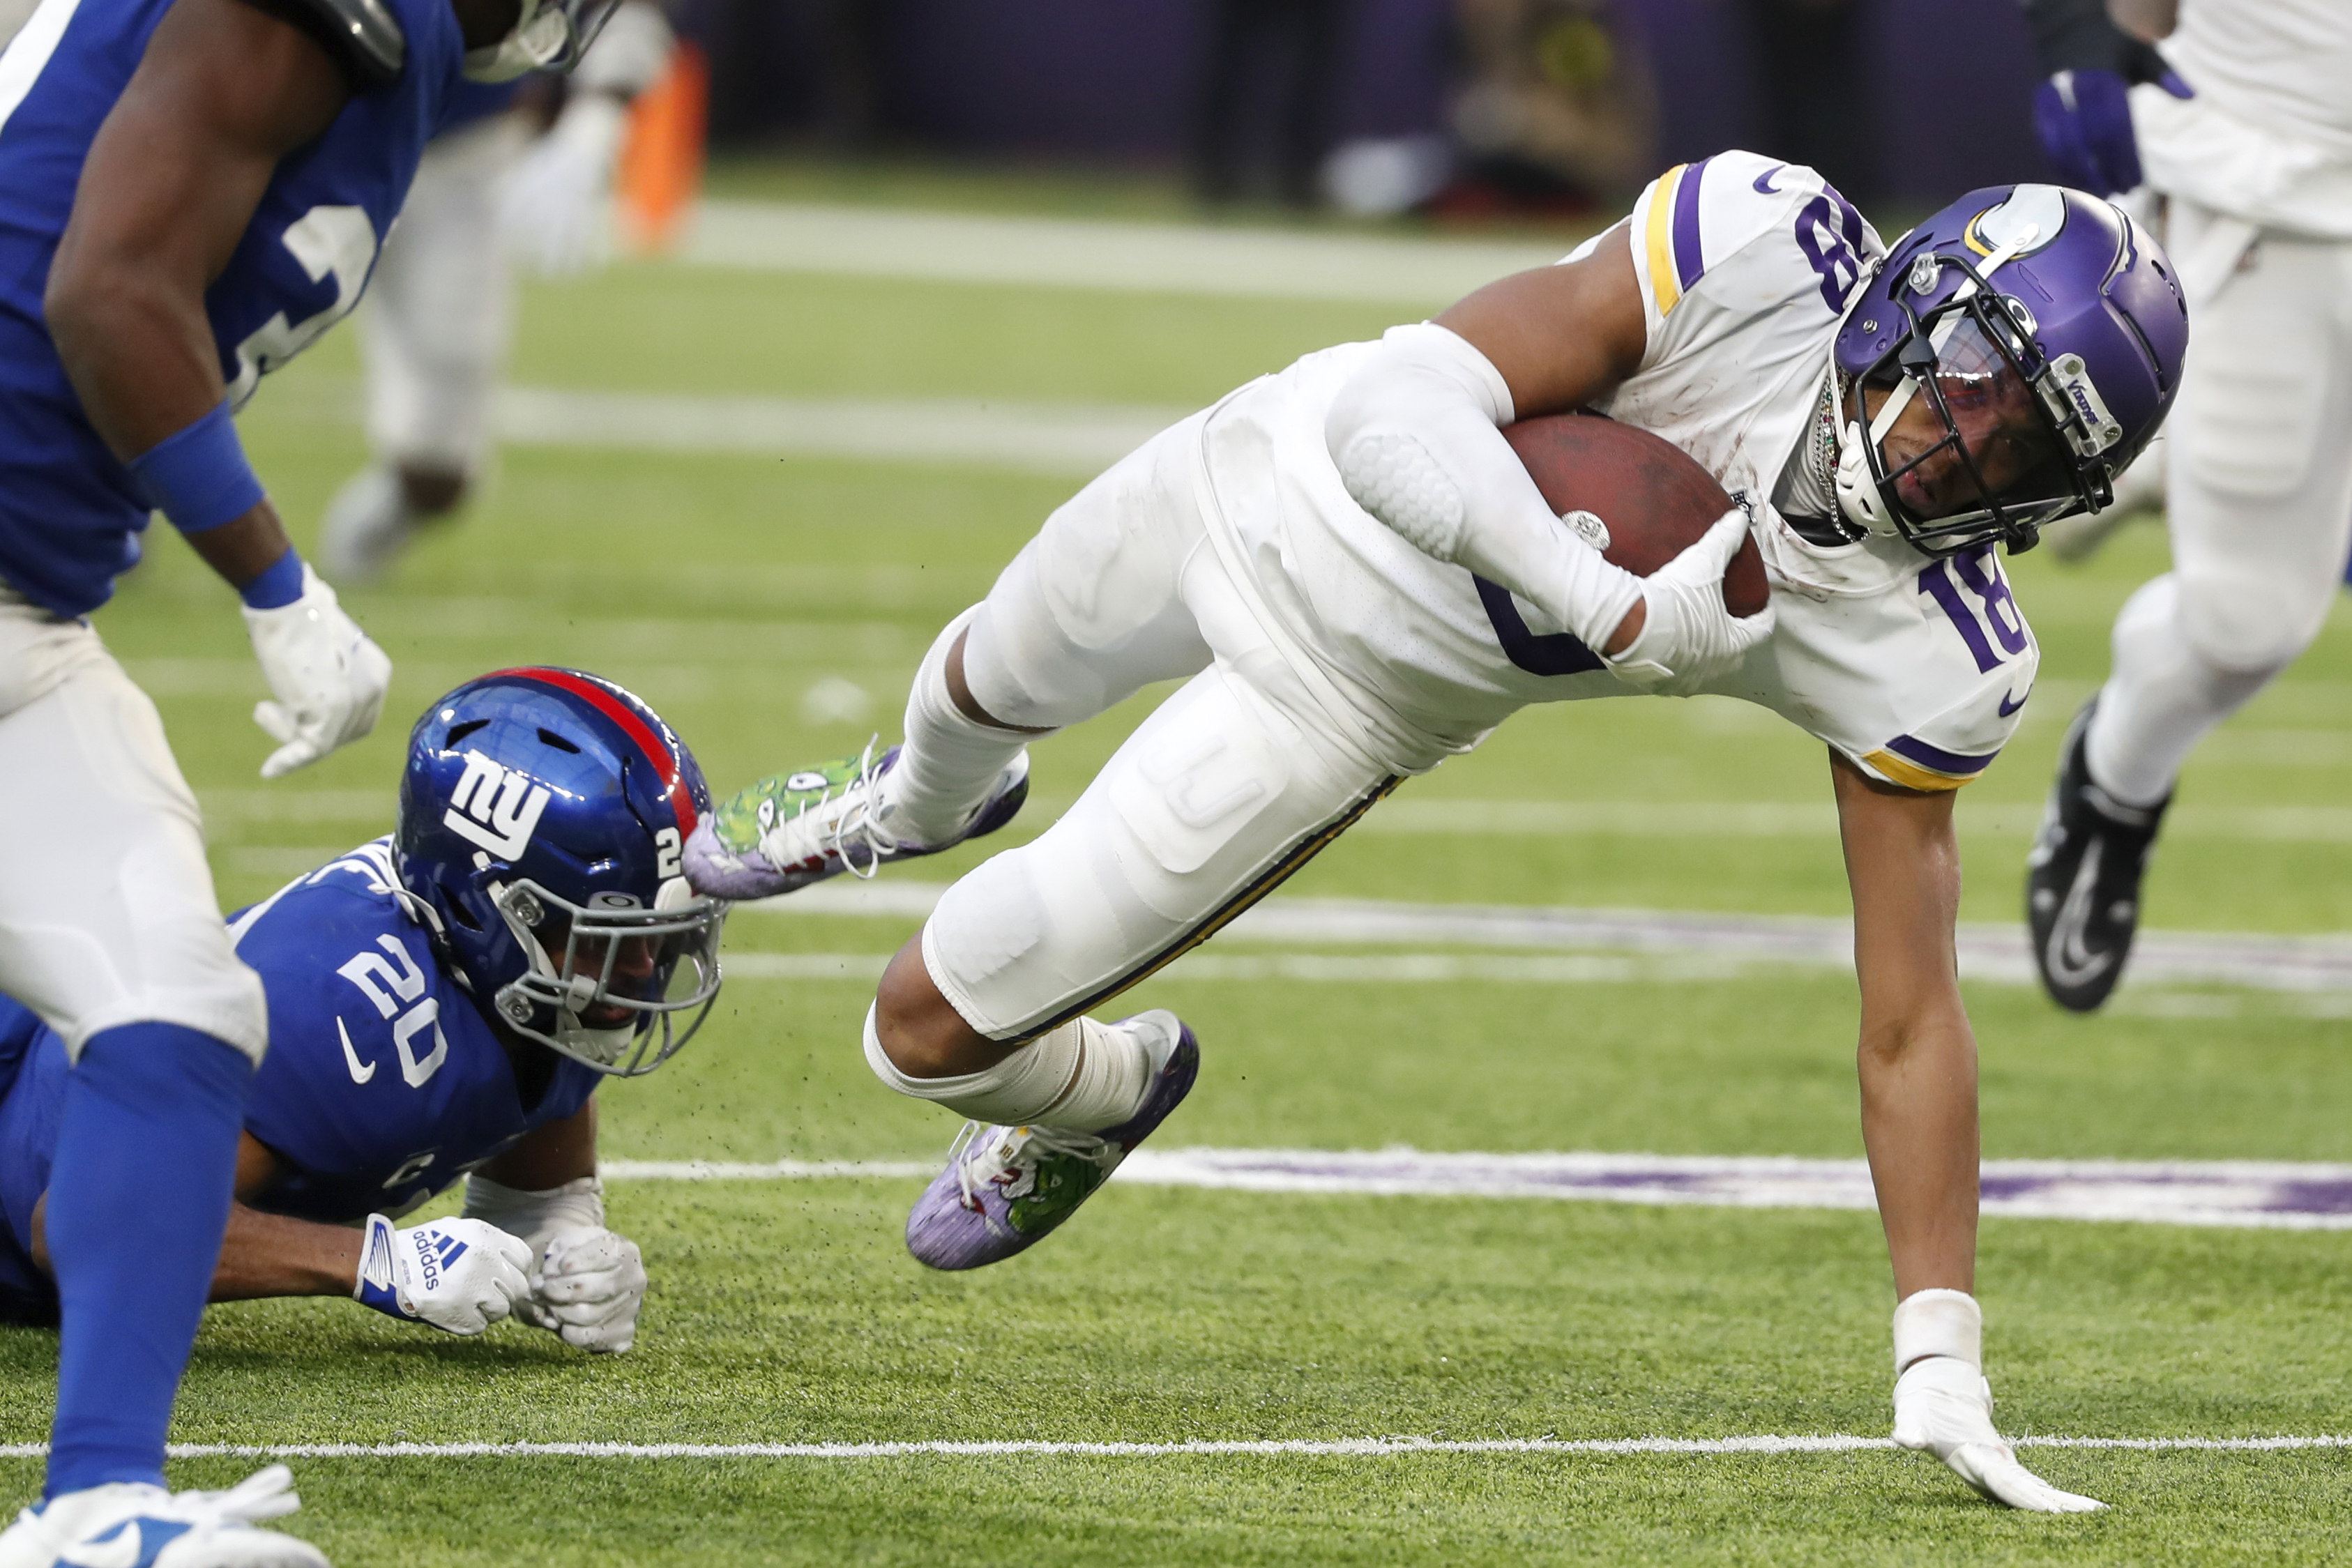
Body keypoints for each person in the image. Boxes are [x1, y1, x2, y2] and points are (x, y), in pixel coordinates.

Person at [688, 158, 2186, 1513]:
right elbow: (1391, 409)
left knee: (922, 1030)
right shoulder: (1756, 246)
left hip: (1336, 704)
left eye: (2028, 449)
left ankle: (1100, 1090)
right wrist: (1603, 598)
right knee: (976, 678)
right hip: (1259, 466)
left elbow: (1913, 1017)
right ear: (1918, 294)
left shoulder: (1939, 650)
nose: (1964, 448)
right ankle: (910, 800)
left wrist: (1943, 1351)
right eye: (1980, 378)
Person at [0, 0, 627, 1558]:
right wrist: (277, 584)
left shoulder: (393, 48)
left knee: (176, 1014)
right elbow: (110, 287)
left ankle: (95, 1505)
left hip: (25, 612)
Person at [0, 667, 722, 1353]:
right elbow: (86, 1227)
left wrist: (556, 1240)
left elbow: (527, 1183)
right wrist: (378, 1262)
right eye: (606, 937)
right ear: (493, 908)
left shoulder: (525, 980)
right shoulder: (346, 1005)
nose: (642, 973)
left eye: (658, 940)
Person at [2017, 0, 2352, 1011]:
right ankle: (2114, 781)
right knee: (2242, 620)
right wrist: (2079, 32)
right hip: (2270, 187)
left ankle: (2151, 463)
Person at [317, 1, 678, 585]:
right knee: (188, 330)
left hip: (462, 151)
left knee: (439, 468)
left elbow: (624, 10)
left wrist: (596, 122)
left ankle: (362, 543)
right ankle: (120, 510)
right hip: (306, 128)